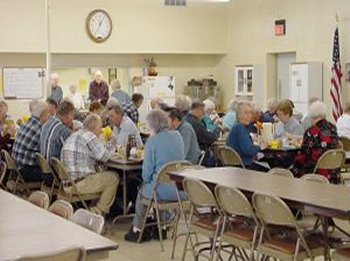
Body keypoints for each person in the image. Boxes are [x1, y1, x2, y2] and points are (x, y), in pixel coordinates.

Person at [124, 109, 185, 242]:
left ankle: (137, 229)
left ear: (151, 125)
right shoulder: (178, 136)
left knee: (143, 191)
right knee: (158, 185)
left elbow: (146, 174)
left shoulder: (152, 141)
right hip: (180, 189)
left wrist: (147, 181)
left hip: (161, 190)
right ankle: (162, 227)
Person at [61, 114, 119, 215]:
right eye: (100, 127)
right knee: (113, 177)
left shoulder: (75, 134)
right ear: (93, 127)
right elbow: (104, 156)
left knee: (102, 174)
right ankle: (97, 211)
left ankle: (93, 207)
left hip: (67, 183)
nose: (101, 130)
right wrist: (112, 143)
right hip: (79, 184)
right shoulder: (89, 135)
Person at [292, 101, 340, 183]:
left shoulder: (311, 132)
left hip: (316, 171)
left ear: (313, 116)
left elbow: (304, 154)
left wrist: (294, 164)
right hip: (333, 172)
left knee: (293, 165)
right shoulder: (333, 128)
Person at [12, 101, 50, 182]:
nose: (49, 116)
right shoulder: (40, 129)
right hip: (27, 171)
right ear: (42, 115)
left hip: (16, 168)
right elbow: (46, 154)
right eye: (47, 114)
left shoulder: (24, 124)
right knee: (52, 175)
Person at [226, 101, 268, 171]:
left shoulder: (236, 126)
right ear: (239, 115)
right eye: (246, 112)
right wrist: (261, 147)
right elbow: (248, 150)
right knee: (271, 170)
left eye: (250, 112)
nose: (249, 115)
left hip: (234, 166)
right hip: (243, 166)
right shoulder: (240, 128)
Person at [184, 101, 219, 166]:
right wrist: (217, 130)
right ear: (198, 110)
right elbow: (210, 139)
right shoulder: (197, 124)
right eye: (203, 111)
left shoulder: (185, 119)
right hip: (199, 157)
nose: (204, 114)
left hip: (187, 155)